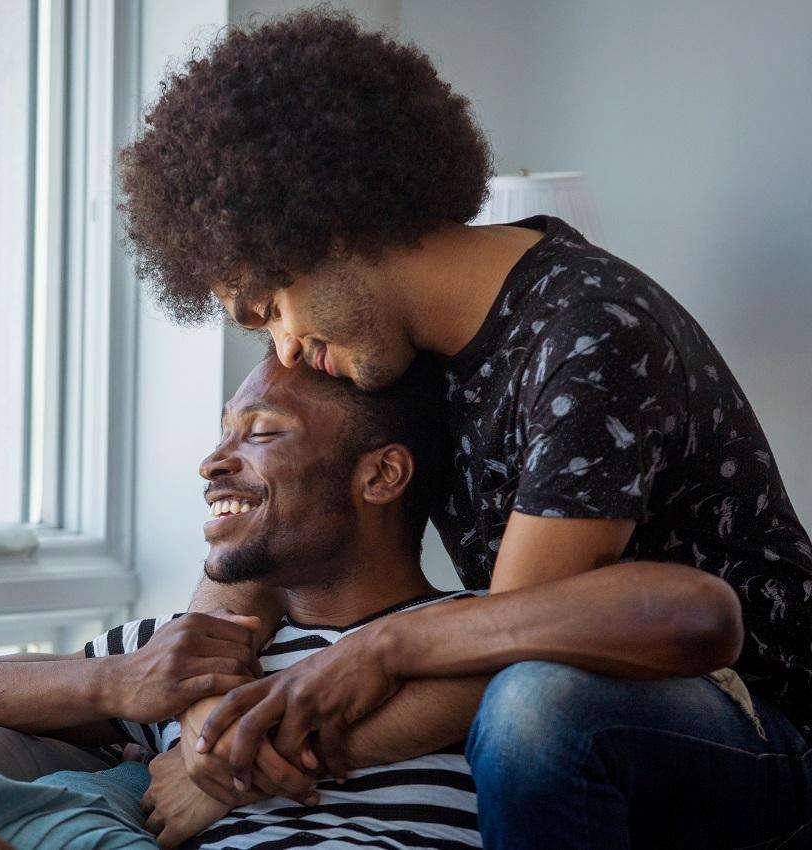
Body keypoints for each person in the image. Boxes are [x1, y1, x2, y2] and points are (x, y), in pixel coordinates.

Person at [116, 9, 812, 848]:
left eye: (271, 309)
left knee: (534, 708)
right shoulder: (392, 349)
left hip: (763, 727)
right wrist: (199, 721)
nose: (284, 348)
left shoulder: (589, 335)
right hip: (580, 678)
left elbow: (505, 645)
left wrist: (241, 773)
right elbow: (241, 583)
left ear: (324, 222)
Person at [0, 355, 743, 849]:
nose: (213, 463)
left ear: (381, 475)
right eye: (219, 435)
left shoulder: (473, 638)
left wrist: (245, 768)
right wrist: (115, 685)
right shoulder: (178, 654)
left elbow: (692, 612)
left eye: (262, 435)